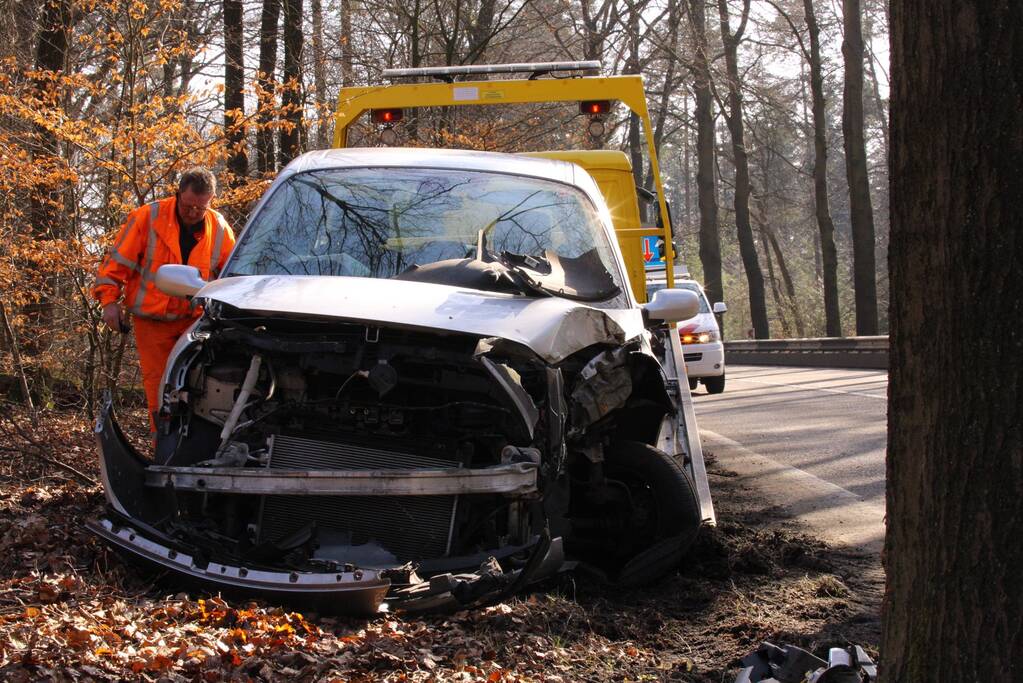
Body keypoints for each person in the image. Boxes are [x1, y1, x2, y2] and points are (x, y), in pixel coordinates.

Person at [92, 167, 236, 433]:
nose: (193, 212)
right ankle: (164, 450)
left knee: (203, 391)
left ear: (211, 201)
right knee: (160, 394)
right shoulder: (147, 218)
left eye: (200, 208)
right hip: (153, 324)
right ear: (178, 193)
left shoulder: (219, 228)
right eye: (188, 205)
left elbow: (234, 277)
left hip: (195, 325)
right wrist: (109, 302)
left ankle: (197, 451)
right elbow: (114, 265)